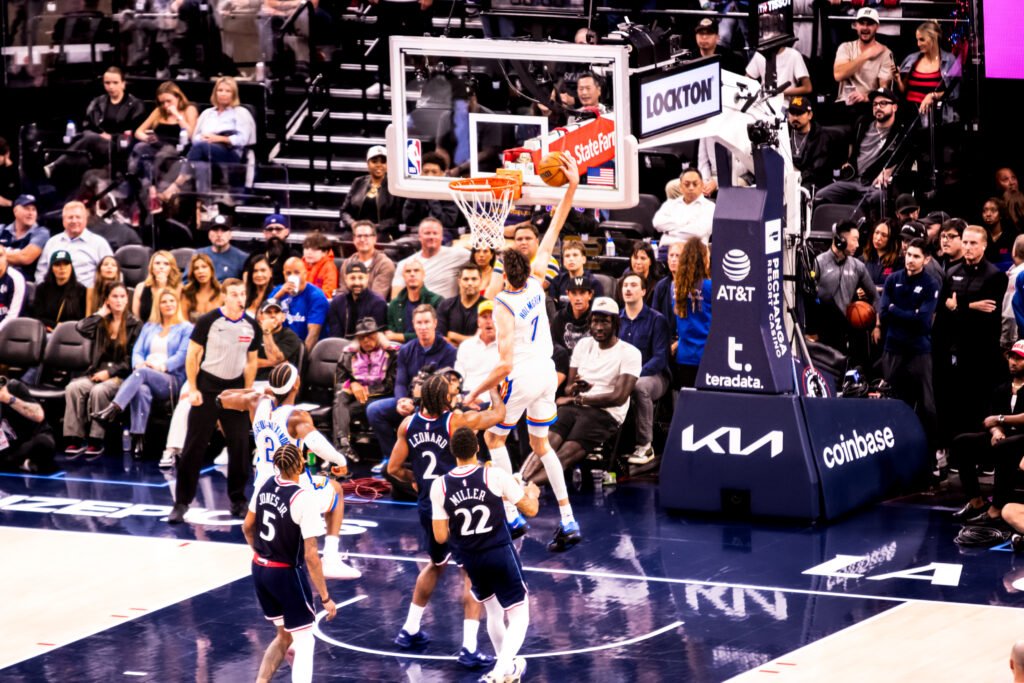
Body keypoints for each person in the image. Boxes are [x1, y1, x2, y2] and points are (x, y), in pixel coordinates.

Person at [464, 154, 582, 553]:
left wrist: (475, 391)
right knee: (540, 445)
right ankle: (568, 518)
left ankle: (512, 514)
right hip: (548, 375)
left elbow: (504, 364)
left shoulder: (501, 305)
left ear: (502, 271)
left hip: (524, 377)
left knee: (495, 441)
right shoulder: (537, 282)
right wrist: (572, 186)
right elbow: (556, 226)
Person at [387, 374, 507, 669]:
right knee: (472, 574)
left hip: (428, 505)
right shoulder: (456, 422)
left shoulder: (407, 424)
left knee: (435, 564)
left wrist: (415, 482)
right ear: (444, 399)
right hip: (455, 502)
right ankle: (468, 648)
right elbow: (499, 415)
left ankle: (410, 629)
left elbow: (392, 468)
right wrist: (494, 390)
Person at [225, 362, 361, 580]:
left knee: (250, 527)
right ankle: (331, 559)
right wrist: (339, 459)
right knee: (336, 490)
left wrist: (257, 391)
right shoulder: (296, 416)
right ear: (297, 384)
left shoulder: (256, 402)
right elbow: (316, 443)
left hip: (264, 488)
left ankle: (263, 558)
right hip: (293, 487)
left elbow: (222, 397)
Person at [430, 426, 540, 683]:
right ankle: (497, 673)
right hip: (499, 551)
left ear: (452, 451)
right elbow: (531, 510)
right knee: (519, 615)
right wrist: (532, 493)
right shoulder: (495, 476)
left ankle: (509, 671)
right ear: (477, 448)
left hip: (470, 558)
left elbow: (440, 537)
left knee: (493, 611)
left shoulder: (440, 486)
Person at [241, 443, 338, 683]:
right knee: (306, 640)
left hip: (260, 568)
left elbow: (246, 527)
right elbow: (311, 555)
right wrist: (325, 597)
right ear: (302, 463)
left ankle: (261, 681)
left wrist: (262, 552)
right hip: (285, 575)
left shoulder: (264, 484)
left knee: (284, 635)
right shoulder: (303, 498)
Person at [168, 278, 261, 524]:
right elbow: (193, 355)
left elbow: (252, 361)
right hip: (208, 386)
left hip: (235, 390)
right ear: (224, 297)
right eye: (234, 294)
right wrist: (194, 387)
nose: (240, 298)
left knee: (240, 446)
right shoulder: (208, 321)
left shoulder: (251, 325)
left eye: (243, 293)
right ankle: (181, 502)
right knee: (193, 448)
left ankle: (238, 500)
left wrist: (247, 392)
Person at [521, 297, 641, 486]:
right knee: (544, 445)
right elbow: (569, 388)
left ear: (616, 323)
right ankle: (520, 482)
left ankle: (523, 490)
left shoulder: (630, 353)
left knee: (564, 454)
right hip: (576, 406)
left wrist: (580, 400)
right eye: (595, 321)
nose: (599, 327)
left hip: (605, 414)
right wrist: (576, 389)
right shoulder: (583, 345)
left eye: (605, 321)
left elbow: (619, 397)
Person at [93, 289, 193, 458]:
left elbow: (182, 355)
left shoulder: (186, 328)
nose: (168, 304)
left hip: (171, 379)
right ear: (158, 306)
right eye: (164, 301)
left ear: (177, 304)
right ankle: (139, 439)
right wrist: (139, 364)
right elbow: (137, 351)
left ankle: (114, 408)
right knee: (141, 390)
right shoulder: (149, 327)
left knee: (143, 374)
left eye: (171, 301)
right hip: (145, 375)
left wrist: (159, 366)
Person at [935, 225, 1009, 440]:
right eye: (965, 242)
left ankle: (986, 457)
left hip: (983, 350)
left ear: (984, 246)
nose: (968, 247)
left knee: (982, 402)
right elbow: (943, 309)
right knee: (959, 402)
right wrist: (969, 307)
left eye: (973, 243)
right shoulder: (951, 273)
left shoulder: (995, 276)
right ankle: (961, 453)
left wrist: (958, 307)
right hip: (956, 348)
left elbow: (988, 315)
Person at [368, 304, 456, 474]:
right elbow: (400, 382)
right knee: (374, 410)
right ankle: (389, 456)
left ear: (435, 323)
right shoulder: (406, 350)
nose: (423, 327)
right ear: (413, 325)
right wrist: (402, 400)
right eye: (419, 323)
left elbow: (446, 387)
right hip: (409, 400)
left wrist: (416, 404)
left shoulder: (449, 351)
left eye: (427, 322)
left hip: (434, 405)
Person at [947, 341, 1024, 527]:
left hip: (1022, 440)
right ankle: (976, 502)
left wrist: (1000, 420)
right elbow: (989, 419)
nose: (1013, 362)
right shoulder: (1001, 388)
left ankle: (996, 509)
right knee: (962, 442)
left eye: (1019, 359)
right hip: (1002, 438)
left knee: (1006, 447)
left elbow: (1002, 417)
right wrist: (996, 430)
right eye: (1012, 357)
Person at [64, 283, 143, 457]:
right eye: (115, 296)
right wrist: (100, 313)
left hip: (121, 376)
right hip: (96, 373)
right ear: (107, 300)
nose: (119, 300)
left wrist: (110, 373)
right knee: (74, 387)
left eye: (123, 296)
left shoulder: (135, 324)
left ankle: (96, 439)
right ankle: (75, 437)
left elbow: (132, 359)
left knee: (99, 391)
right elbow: (81, 327)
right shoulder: (101, 322)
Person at [878, 239, 939, 444]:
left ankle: (931, 455)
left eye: (916, 256)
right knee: (891, 400)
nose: (910, 260)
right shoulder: (892, 279)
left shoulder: (930, 284)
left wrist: (897, 310)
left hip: (919, 350)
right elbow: (884, 314)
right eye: (909, 255)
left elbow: (923, 321)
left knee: (927, 405)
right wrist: (908, 313)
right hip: (893, 347)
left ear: (926, 259)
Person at [813, 88, 910, 215]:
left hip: (873, 184)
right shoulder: (862, 123)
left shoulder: (900, 132)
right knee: (820, 196)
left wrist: (890, 170)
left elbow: (908, 155)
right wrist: (848, 162)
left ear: (894, 107)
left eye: (883, 103)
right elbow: (852, 146)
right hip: (853, 180)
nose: (878, 107)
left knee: (877, 198)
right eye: (875, 104)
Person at [44, 67, 146, 184]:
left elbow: (134, 132)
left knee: (90, 138)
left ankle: (56, 165)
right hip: (96, 143)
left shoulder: (136, 105)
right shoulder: (98, 102)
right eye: (107, 83)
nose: (111, 86)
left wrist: (112, 137)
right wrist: (100, 135)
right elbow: (88, 125)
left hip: (118, 147)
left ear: (123, 84)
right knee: (82, 156)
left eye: (115, 83)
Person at [162, 77, 257, 198]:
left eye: (228, 91)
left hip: (230, 152)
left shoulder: (240, 112)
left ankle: (178, 183)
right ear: (215, 92)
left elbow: (242, 139)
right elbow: (195, 137)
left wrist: (218, 138)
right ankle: (205, 203)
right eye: (220, 90)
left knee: (201, 148)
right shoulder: (207, 113)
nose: (223, 94)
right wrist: (203, 138)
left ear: (234, 94)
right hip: (205, 150)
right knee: (201, 165)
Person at [619, 273, 671, 466]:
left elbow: (659, 358)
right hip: (624, 375)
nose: (628, 289)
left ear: (643, 291)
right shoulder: (616, 319)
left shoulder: (657, 320)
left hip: (654, 376)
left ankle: (645, 445)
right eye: (625, 285)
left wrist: (632, 376)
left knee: (640, 387)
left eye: (633, 285)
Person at [332, 317, 399, 456]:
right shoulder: (348, 353)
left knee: (341, 410)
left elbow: (391, 384)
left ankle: (340, 452)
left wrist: (364, 390)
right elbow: (339, 380)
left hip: (381, 397)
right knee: (340, 399)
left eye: (370, 336)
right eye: (362, 338)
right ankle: (343, 447)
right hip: (354, 396)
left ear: (378, 335)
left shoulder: (392, 353)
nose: (366, 341)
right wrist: (352, 384)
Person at [812, 220, 877, 358]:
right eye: (855, 240)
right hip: (822, 331)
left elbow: (875, 297)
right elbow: (806, 298)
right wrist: (809, 331)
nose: (858, 245)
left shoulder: (858, 266)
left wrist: (877, 324)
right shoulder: (818, 263)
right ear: (840, 240)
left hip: (847, 329)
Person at [131, 81, 199, 208]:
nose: (165, 105)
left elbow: (191, 135)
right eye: (162, 102)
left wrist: (177, 116)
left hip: (177, 150)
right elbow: (138, 132)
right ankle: (135, 180)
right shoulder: (158, 111)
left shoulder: (189, 109)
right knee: (139, 147)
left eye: (169, 101)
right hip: (157, 146)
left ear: (178, 97)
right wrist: (146, 138)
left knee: (165, 151)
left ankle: (153, 189)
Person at [832, 8, 896, 123]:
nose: (865, 28)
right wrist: (866, 55)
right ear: (856, 25)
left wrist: (865, 97)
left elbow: (884, 90)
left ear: (877, 26)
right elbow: (838, 75)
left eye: (870, 24)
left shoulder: (885, 53)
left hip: (870, 105)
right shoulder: (846, 47)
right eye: (862, 23)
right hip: (844, 103)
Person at [894, 21, 962, 127]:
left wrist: (933, 96)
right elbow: (903, 91)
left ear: (933, 38)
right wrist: (898, 79)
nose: (918, 44)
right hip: (909, 118)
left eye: (922, 40)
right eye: (917, 40)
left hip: (936, 119)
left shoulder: (950, 60)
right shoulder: (911, 59)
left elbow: (955, 93)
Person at [35, 201, 114, 287]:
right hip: (54, 295)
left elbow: (113, 273)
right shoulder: (52, 242)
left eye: (78, 217)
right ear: (63, 220)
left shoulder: (99, 243)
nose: (74, 221)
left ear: (85, 220)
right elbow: (41, 272)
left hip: (86, 296)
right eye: (70, 217)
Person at [391, 218, 468, 300]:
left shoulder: (458, 255)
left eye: (435, 233)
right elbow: (395, 298)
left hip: (445, 310)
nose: (431, 237)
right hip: (417, 310)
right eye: (427, 233)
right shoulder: (405, 264)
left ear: (442, 237)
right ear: (419, 237)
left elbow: (479, 255)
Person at [672, 237, 713, 389]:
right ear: (703, 259)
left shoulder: (676, 287)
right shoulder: (711, 287)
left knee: (688, 403)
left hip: (685, 355)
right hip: (707, 354)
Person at [340, 145, 403, 240]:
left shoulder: (394, 184)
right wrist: (353, 224)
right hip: (357, 230)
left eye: (383, 162)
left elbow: (397, 217)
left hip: (382, 231)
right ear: (368, 164)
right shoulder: (358, 182)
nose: (379, 165)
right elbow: (344, 211)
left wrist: (376, 227)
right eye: (374, 162)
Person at [268, 257, 328, 354]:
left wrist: (301, 359)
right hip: (281, 347)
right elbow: (262, 317)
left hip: (306, 349)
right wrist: (280, 294)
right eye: (288, 273)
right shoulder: (278, 292)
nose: (292, 276)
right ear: (284, 275)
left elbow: (313, 334)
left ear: (305, 274)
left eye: (296, 273)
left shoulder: (316, 296)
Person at [786, 97, 843, 192]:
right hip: (786, 177)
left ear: (810, 115)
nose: (795, 117)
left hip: (810, 182)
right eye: (792, 113)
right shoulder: (783, 132)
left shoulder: (822, 136)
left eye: (800, 113)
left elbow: (816, 169)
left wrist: (796, 177)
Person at [0, 378, 55, 474]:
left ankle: (15, 462)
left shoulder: (14, 387)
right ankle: (20, 462)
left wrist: (8, 398)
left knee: (44, 443)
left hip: (30, 440)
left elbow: (39, 415)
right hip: (8, 446)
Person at [652, 168, 716, 246]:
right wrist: (686, 225)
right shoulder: (670, 204)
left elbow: (698, 232)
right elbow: (657, 223)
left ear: (702, 185)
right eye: (687, 184)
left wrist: (669, 231)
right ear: (680, 187)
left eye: (695, 184)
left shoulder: (710, 207)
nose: (691, 188)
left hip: (693, 252)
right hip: (667, 251)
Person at [334, 220, 396, 300]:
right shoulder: (347, 263)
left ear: (374, 239)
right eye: (359, 236)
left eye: (366, 236)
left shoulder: (385, 264)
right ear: (354, 239)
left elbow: (377, 298)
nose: (362, 239)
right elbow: (343, 292)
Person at [325, 261, 387, 339]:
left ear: (367, 278)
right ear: (345, 279)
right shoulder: (337, 303)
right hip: (339, 347)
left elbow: (375, 337)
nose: (357, 282)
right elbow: (335, 335)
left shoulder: (378, 303)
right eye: (352, 278)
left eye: (360, 278)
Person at [387, 259, 443, 343]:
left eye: (416, 271)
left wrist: (400, 336)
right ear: (403, 276)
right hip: (400, 351)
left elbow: (437, 333)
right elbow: (389, 334)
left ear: (423, 275)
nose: (412, 274)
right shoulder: (394, 304)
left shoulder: (436, 301)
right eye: (408, 271)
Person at [32, 250, 87, 331]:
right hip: (47, 332)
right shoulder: (42, 289)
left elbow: (83, 319)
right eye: (57, 264)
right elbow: (37, 316)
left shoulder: (81, 290)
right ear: (51, 268)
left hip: (73, 333)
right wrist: (55, 325)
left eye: (66, 264)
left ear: (71, 267)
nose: (62, 268)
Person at [243, 214, 302, 288]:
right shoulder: (256, 254)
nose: (274, 232)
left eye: (278, 229)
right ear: (264, 233)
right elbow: (246, 276)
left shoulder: (293, 256)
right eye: (270, 229)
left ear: (287, 231)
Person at [745, 39, 812, 104]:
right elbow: (746, 79)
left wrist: (781, 92)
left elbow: (807, 88)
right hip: (763, 103)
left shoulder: (794, 55)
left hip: (785, 104)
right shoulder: (760, 54)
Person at [455, 301, 499, 397]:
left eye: (492, 317)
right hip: (466, 397)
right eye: (484, 317)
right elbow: (458, 377)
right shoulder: (466, 346)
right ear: (478, 322)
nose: (488, 321)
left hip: (492, 399)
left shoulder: (505, 348)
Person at [0, 194, 49, 280]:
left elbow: (25, 258)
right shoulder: (2, 229)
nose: (31, 213)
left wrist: (2, 253)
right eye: (26, 208)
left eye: (33, 209)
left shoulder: (41, 232)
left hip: (25, 283)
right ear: (15, 211)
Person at [255, 299, 302, 381]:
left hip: (277, 383)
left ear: (283, 317)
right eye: (268, 312)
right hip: (252, 380)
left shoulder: (290, 336)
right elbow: (243, 362)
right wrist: (273, 363)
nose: (273, 315)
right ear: (261, 317)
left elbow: (274, 358)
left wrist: (267, 331)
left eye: (276, 312)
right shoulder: (253, 333)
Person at [437, 263, 484, 346]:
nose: (470, 283)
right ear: (459, 281)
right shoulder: (445, 305)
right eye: (466, 279)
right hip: (450, 357)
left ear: (480, 281)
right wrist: (472, 340)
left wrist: (454, 336)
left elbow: (484, 342)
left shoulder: (488, 308)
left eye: (474, 279)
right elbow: (440, 340)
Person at [132, 250, 182, 322]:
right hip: (145, 329)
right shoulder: (140, 287)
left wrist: (162, 287)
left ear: (171, 268)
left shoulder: (178, 288)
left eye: (166, 264)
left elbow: (175, 316)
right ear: (151, 267)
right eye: (157, 263)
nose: (161, 267)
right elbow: (136, 317)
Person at [549, 239, 602, 306]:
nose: (571, 259)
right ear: (563, 261)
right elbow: (552, 309)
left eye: (575, 255)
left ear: (584, 259)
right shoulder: (557, 281)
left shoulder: (594, 283)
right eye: (567, 256)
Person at [550, 276, 593, 353]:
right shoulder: (559, 318)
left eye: (582, 293)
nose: (578, 298)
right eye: (574, 293)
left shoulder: (597, 318)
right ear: (568, 294)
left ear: (590, 295)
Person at [181, 252, 224, 322]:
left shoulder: (221, 291)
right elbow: (184, 322)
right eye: (196, 268)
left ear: (211, 270)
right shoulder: (187, 293)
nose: (200, 271)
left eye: (204, 267)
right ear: (193, 273)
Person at [862, 218, 901, 291]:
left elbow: (899, 285)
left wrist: (878, 289)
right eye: (876, 232)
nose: (878, 238)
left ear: (891, 239)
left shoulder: (899, 262)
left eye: (884, 235)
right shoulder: (863, 259)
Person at [982, 196, 1017, 272]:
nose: (988, 214)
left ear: (1001, 214)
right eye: (985, 210)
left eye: (993, 210)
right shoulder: (980, 236)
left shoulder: (1011, 236)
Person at [301, 232, 338, 299]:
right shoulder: (299, 264)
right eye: (306, 248)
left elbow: (327, 294)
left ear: (325, 252)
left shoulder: (329, 267)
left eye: (314, 249)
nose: (309, 252)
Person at [0, 246, 26, 326]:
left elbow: (13, 316)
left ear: (6, 258)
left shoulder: (16, 278)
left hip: (10, 330)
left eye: (0, 255)